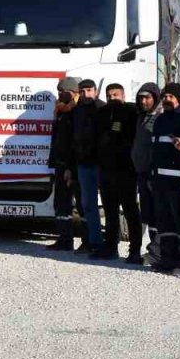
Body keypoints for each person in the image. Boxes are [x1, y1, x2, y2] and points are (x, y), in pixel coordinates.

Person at [151, 83, 180, 276]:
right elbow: (155, 149)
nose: (167, 99)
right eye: (165, 96)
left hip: (179, 182)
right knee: (164, 222)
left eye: (171, 96)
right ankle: (167, 259)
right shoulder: (159, 119)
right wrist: (153, 175)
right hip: (160, 180)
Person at [94, 83, 140, 261]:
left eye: (115, 95)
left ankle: (134, 250)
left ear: (123, 95)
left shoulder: (131, 112)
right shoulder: (102, 113)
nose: (112, 98)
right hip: (106, 170)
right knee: (110, 211)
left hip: (126, 170)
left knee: (130, 211)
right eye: (109, 95)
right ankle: (110, 247)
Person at [71, 79, 106, 253]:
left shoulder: (103, 109)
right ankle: (94, 242)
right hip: (83, 164)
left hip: (103, 164)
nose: (86, 94)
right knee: (88, 205)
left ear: (95, 91)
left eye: (89, 91)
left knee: (110, 205)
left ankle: (109, 245)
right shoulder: (77, 111)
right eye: (83, 91)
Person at [47, 76, 81, 250]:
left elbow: (74, 143)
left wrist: (69, 167)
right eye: (59, 92)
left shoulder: (77, 113)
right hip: (60, 165)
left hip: (73, 166)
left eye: (65, 92)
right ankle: (64, 239)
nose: (61, 95)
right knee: (61, 204)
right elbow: (57, 140)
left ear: (75, 93)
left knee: (80, 205)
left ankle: (88, 242)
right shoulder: (60, 112)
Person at [130, 83, 161, 265]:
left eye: (147, 98)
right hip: (141, 172)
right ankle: (152, 249)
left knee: (157, 215)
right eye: (141, 98)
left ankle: (157, 252)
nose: (143, 101)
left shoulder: (159, 118)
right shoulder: (141, 117)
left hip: (152, 174)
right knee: (148, 214)